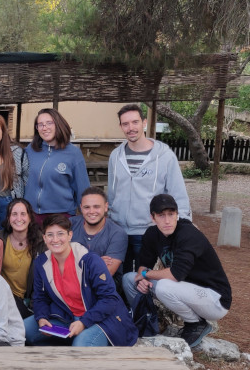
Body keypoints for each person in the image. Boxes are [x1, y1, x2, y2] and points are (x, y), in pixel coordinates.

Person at [123, 194, 231, 348]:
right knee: (129, 278)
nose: (167, 221)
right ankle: (146, 320)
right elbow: (143, 264)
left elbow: (175, 274)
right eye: (161, 215)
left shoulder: (188, 234)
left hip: (214, 299)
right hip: (184, 290)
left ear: (177, 214)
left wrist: (147, 274)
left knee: (164, 287)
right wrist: (142, 278)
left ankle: (196, 323)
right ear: (152, 218)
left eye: (171, 214)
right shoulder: (152, 234)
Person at [24, 214, 138, 347]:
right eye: (50, 235)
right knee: (21, 331)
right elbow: (40, 297)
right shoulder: (41, 262)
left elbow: (109, 299)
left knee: (80, 347)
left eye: (60, 234)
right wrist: (41, 317)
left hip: (100, 320)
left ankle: (86, 341)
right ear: (44, 238)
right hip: (66, 316)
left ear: (70, 235)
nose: (55, 239)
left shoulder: (90, 260)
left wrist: (84, 322)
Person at [108, 104, 192, 273]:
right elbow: (112, 193)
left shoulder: (165, 156)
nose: (131, 128)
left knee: (143, 280)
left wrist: (182, 227)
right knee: (119, 279)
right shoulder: (115, 156)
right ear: (120, 126)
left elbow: (178, 195)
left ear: (144, 123)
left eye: (135, 122)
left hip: (148, 230)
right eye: (125, 124)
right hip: (119, 230)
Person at [24, 108, 89, 223]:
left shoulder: (73, 153)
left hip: (61, 217)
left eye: (49, 123)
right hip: (31, 215)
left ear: (58, 124)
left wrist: (87, 218)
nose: (45, 128)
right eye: (40, 124)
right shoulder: (30, 150)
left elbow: (83, 189)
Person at [0, 199, 45, 319]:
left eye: (23, 214)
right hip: (3, 299)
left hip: (28, 302)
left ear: (30, 218)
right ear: (8, 218)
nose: (19, 218)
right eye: (14, 214)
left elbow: (42, 281)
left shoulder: (41, 243)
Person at [70, 186, 128, 277]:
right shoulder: (70, 225)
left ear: (106, 207)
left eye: (96, 207)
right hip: (71, 281)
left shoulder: (117, 233)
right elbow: (55, 260)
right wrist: (95, 261)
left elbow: (106, 273)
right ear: (81, 208)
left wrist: (72, 261)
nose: (91, 211)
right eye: (87, 207)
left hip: (105, 285)